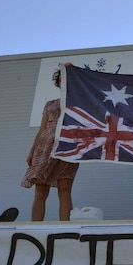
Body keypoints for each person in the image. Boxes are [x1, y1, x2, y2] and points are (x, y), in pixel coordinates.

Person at [22, 63, 79, 221]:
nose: (64, 81)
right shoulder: (50, 104)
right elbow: (41, 129)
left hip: (69, 145)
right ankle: (35, 228)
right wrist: (32, 151)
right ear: (58, 82)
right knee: (41, 189)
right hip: (46, 145)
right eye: (62, 78)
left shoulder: (79, 102)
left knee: (64, 188)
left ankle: (66, 228)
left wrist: (73, 70)